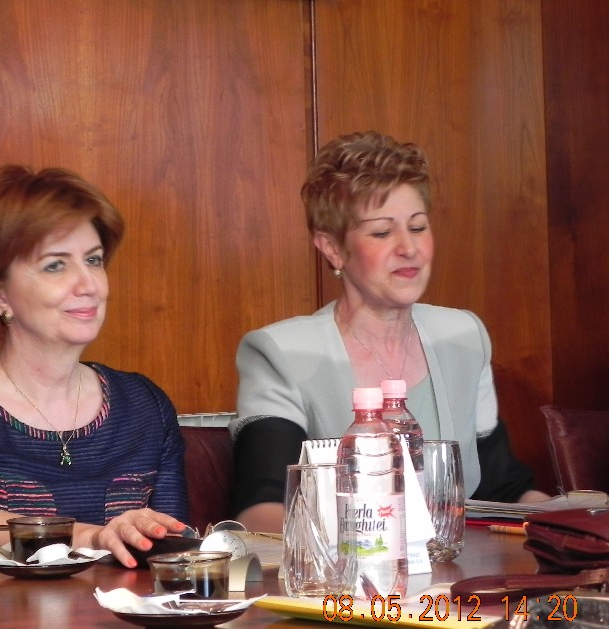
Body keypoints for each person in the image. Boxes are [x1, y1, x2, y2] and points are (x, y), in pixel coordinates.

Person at [230, 131, 549, 533]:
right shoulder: (282, 353)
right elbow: (260, 512)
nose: (408, 248)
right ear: (332, 248)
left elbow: (503, 488)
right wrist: (375, 542)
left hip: (461, 570)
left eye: (418, 227)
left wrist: (570, 520)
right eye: (382, 232)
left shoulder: (464, 336)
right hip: (348, 572)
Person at [0, 164, 189, 567]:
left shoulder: (145, 404)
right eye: (56, 265)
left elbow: (172, 549)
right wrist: (89, 536)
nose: (89, 284)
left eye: (94, 260)